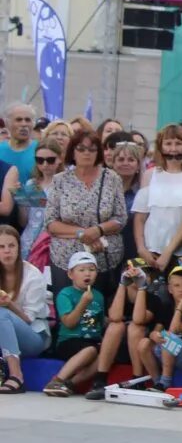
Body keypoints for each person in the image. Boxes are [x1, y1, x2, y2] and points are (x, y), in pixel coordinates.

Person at [43, 129, 127, 298]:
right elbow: (51, 222)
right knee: (68, 312)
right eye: (81, 149)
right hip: (65, 258)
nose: (86, 153)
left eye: (92, 149)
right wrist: (83, 233)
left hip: (104, 257)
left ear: (99, 153)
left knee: (101, 312)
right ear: (73, 152)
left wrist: (98, 230)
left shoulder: (112, 179)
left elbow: (120, 218)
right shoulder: (60, 180)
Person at [43, 251, 127, 397]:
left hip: (92, 340)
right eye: (81, 270)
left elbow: (100, 323)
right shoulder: (65, 294)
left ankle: (70, 384)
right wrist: (83, 303)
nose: (87, 274)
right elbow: (69, 323)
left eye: (91, 270)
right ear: (71, 274)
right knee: (91, 350)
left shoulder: (98, 295)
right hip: (70, 340)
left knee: (106, 356)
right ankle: (57, 380)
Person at [132, 125, 182, 275]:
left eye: (178, 143)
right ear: (161, 146)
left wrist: (168, 252)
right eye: (168, 143)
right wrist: (141, 248)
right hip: (151, 251)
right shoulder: (150, 175)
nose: (173, 148)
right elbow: (140, 217)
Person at [129, 265, 182, 389]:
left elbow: (175, 331)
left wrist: (181, 307)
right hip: (166, 353)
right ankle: (157, 383)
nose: (181, 289)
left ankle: (165, 382)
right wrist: (154, 335)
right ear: (170, 289)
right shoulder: (166, 307)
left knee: (169, 337)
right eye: (176, 286)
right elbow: (157, 330)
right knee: (144, 343)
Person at [0, 224, 50, 391]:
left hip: (34, 336)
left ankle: (16, 375)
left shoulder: (32, 274)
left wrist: (10, 304)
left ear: (19, 248)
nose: (7, 251)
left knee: (1, 314)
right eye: (1, 247)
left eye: (11, 246)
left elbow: (29, 318)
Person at [18, 143, 61, 259]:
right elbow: (24, 221)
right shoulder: (31, 184)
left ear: (60, 159)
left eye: (50, 160)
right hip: (28, 242)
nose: (45, 164)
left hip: (52, 242)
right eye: (40, 160)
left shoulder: (65, 184)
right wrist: (21, 199)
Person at [0, 104, 37, 178]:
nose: (24, 124)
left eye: (28, 120)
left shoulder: (42, 151)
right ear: (8, 123)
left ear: (33, 124)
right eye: (18, 120)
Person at [109, 142, 143, 218]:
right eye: (121, 159)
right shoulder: (104, 190)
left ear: (138, 166)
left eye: (131, 160)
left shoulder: (141, 192)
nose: (125, 163)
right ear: (113, 164)